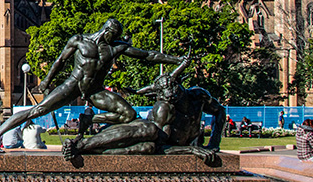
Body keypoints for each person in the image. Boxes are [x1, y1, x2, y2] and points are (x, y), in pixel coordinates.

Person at [0, 18, 183, 153]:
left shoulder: (115, 47)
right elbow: (60, 61)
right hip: (73, 85)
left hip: (95, 90)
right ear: (106, 30)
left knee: (129, 115)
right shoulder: (79, 40)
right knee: (37, 110)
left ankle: (90, 120)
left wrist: (176, 60)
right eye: (113, 34)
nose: (114, 38)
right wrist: (46, 81)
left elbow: (148, 55)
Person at [61, 55, 226, 163]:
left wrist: (213, 143)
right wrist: (191, 150)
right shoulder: (165, 109)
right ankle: (83, 145)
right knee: (148, 132)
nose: (170, 101)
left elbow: (220, 111)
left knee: (147, 148)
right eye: (165, 98)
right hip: (144, 133)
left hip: (152, 144)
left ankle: (90, 148)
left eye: (174, 95)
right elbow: (162, 146)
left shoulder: (198, 96)